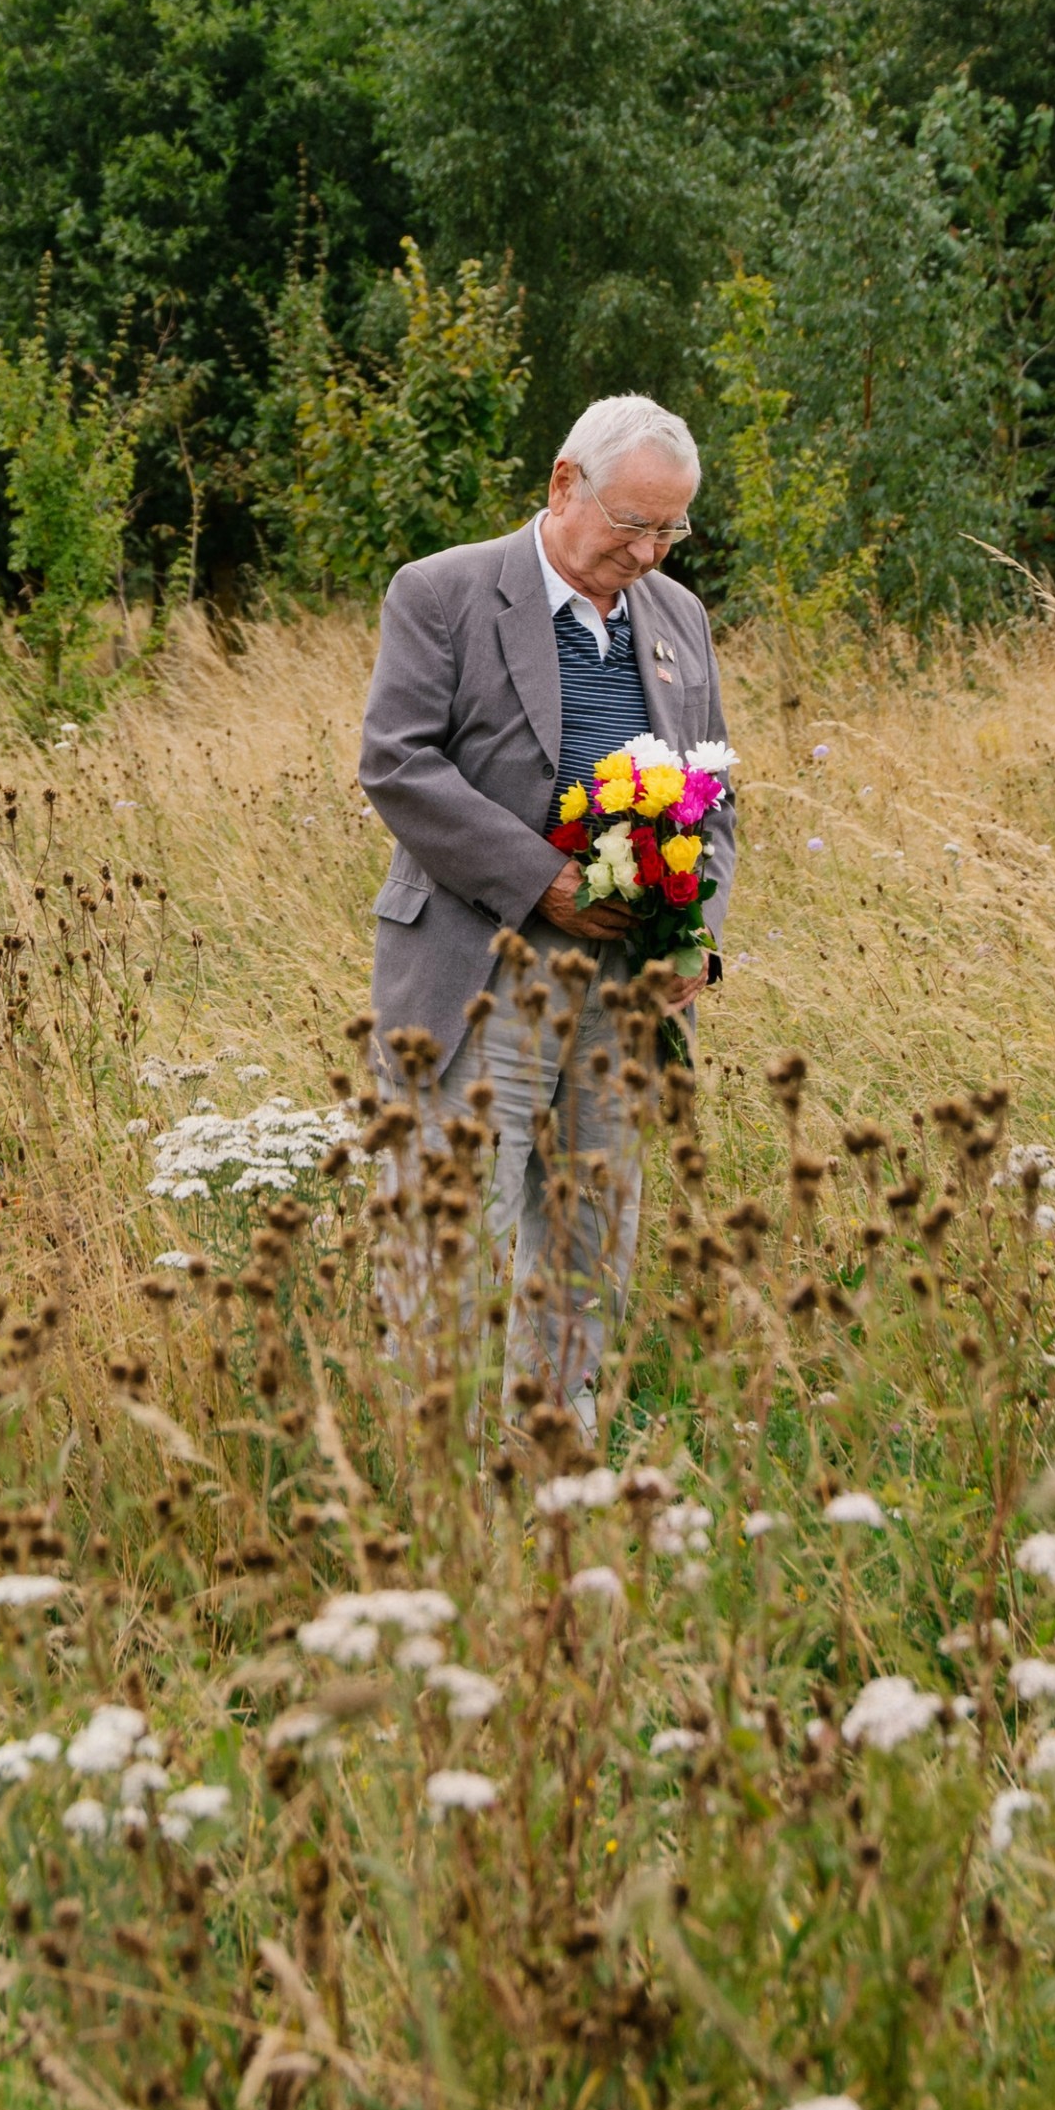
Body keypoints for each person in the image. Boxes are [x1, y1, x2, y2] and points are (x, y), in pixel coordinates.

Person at [356, 394, 735, 1416]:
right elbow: (395, 763)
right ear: (565, 484)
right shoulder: (442, 592)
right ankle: (444, 1475)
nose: (652, 552)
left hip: (627, 987)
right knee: (454, 1231)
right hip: (485, 970)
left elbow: (716, 793)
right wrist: (544, 883)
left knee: (591, 1236)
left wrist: (694, 933)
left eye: (671, 529)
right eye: (633, 525)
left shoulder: (678, 618)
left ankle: (557, 1465)